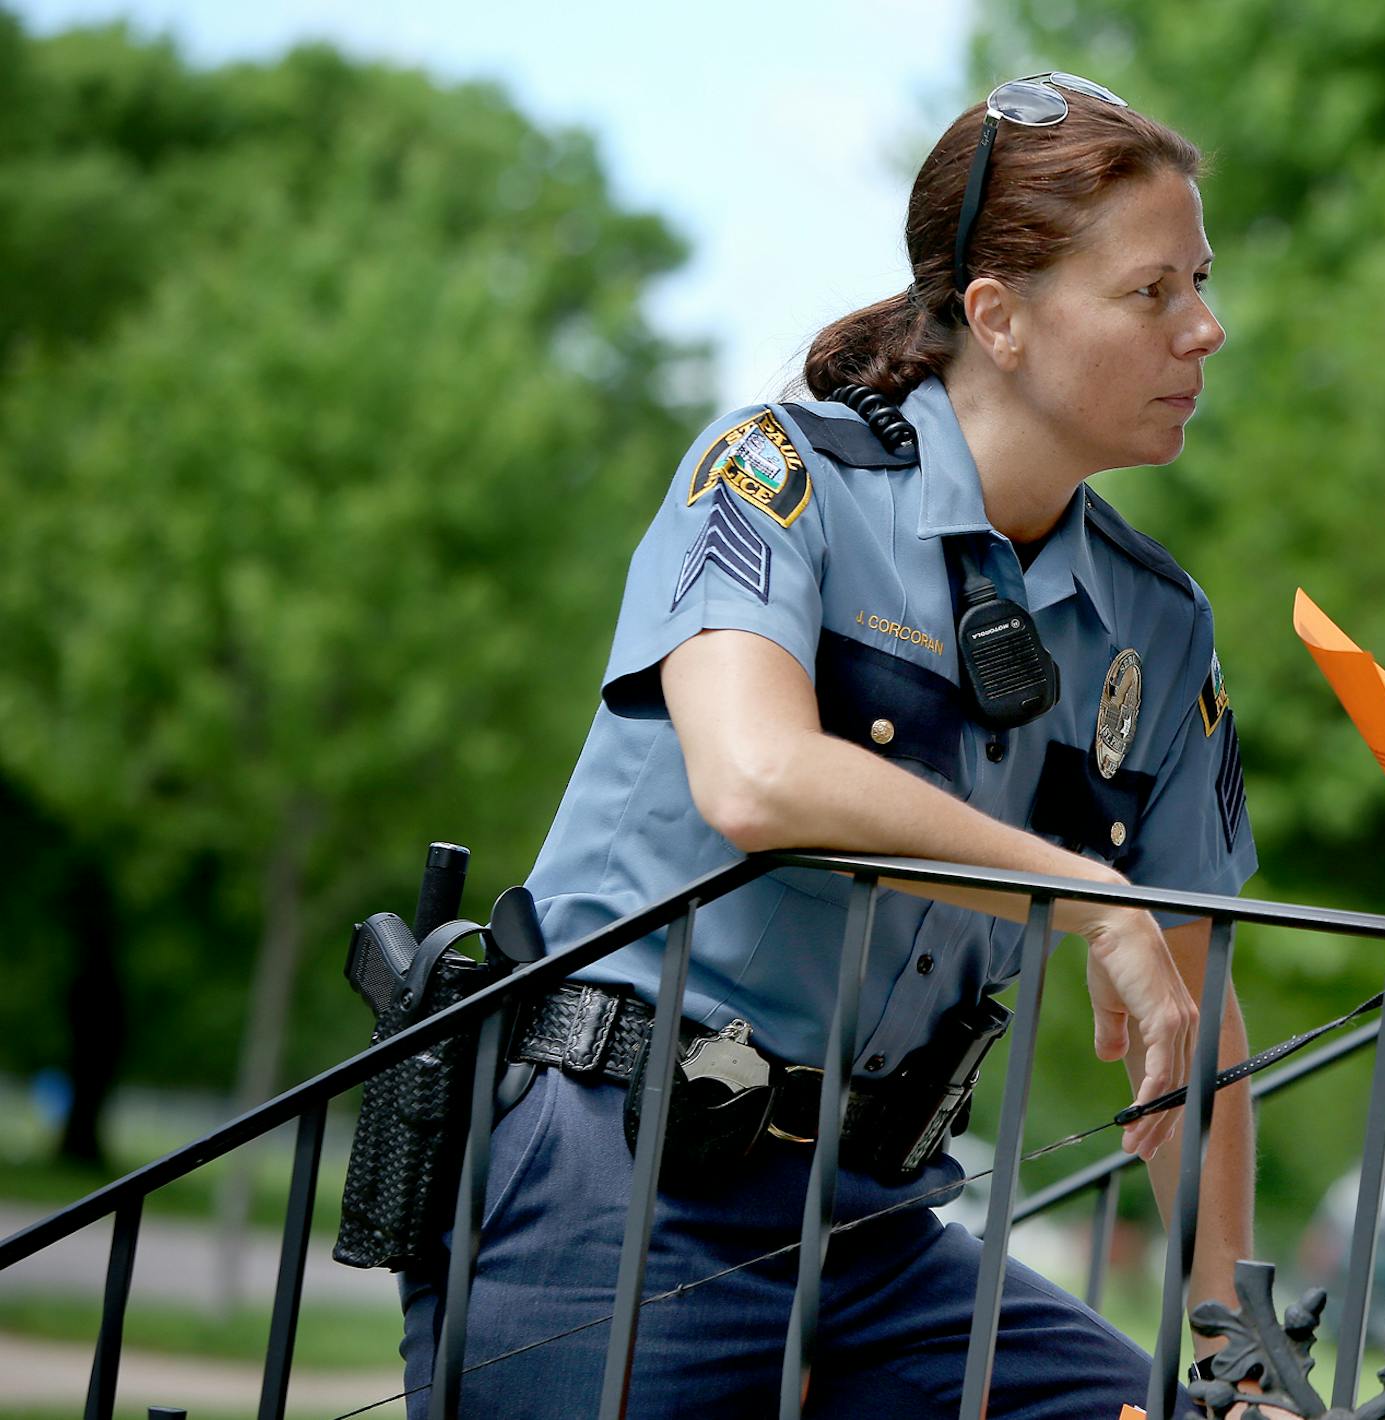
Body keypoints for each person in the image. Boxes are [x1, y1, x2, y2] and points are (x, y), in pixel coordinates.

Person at [397, 72, 1258, 1418]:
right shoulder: (770, 474)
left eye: (1200, 283)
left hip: (880, 1229)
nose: (1206, 329)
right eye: (1154, 293)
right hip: (621, 1187)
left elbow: (1193, 1014)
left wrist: (1237, 1348)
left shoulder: (1163, 624)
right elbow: (755, 776)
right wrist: (1084, 894)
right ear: (1000, 317)